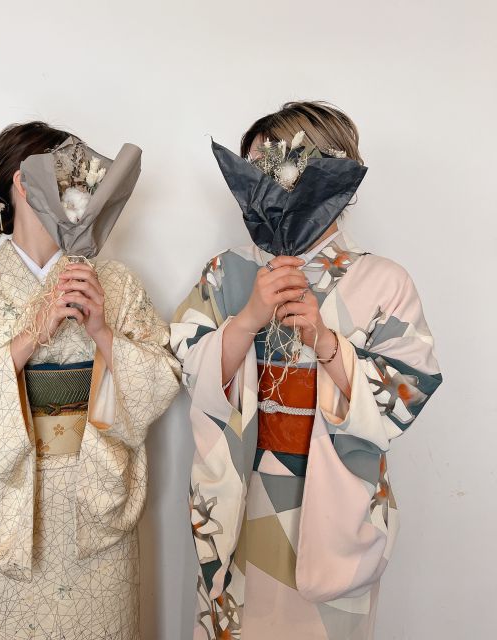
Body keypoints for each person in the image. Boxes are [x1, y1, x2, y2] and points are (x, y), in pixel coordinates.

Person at [171, 101, 442, 639]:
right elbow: (186, 366)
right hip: (242, 491)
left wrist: (324, 341)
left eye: (271, 171)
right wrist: (248, 319)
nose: (259, 189)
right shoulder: (229, 270)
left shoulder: (383, 280)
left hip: (334, 503)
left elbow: (408, 392)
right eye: (252, 174)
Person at [0, 121, 180, 640]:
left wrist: (101, 331)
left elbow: (162, 375)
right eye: (65, 174)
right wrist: (32, 335)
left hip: (94, 499)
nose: (80, 187)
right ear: (22, 181)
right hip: (8, 508)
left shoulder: (115, 282)